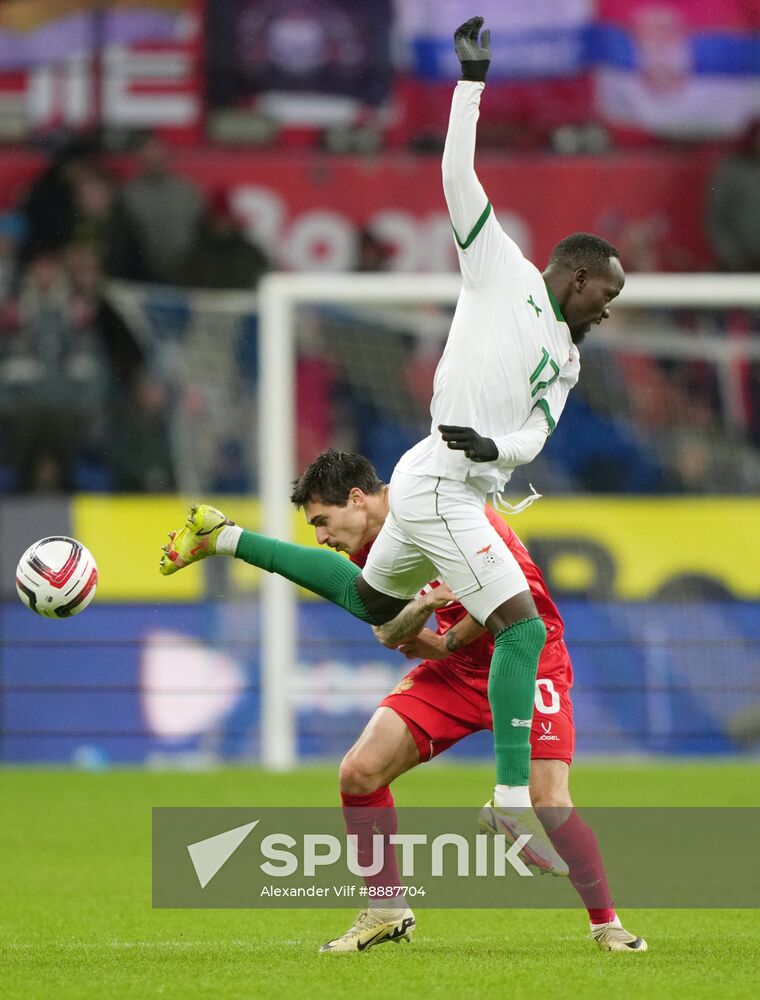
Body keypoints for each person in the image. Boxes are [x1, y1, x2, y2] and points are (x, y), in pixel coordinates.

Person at [160, 16, 625, 873]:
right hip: (438, 484)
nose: (609, 309)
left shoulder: (566, 357)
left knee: (376, 606)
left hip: (447, 475)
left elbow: (533, 437)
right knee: (522, 627)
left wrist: (494, 445)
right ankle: (514, 806)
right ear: (577, 274)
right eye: (607, 293)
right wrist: (471, 83)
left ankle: (222, 534)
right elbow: (457, 173)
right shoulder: (505, 271)